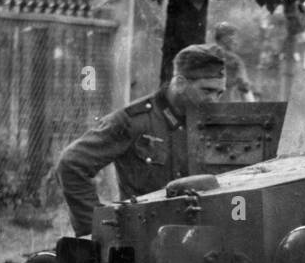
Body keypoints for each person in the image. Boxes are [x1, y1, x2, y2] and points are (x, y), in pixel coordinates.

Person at [55, 44, 227, 237]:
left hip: (202, 240)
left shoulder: (214, 126)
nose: (214, 100)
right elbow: (71, 165)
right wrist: (96, 230)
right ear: (180, 83)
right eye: (207, 91)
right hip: (144, 241)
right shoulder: (134, 121)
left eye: (219, 93)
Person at [211, 22, 255, 102]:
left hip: (209, 105)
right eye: (232, 36)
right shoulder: (235, 60)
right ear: (224, 38)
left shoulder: (207, 56)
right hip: (229, 103)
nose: (235, 41)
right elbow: (244, 85)